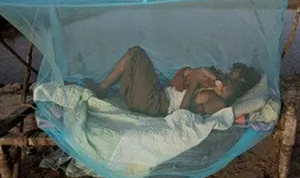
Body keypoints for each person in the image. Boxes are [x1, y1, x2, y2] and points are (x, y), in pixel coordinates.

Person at [84, 46, 261, 117]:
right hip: (155, 96)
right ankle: (103, 88)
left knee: (136, 53)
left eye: (232, 83)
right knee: (134, 56)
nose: (227, 82)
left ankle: (102, 89)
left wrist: (194, 85)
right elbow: (202, 70)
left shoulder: (218, 103)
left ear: (238, 91)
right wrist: (214, 79)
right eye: (229, 78)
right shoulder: (215, 86)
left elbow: (183, 114)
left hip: (155, 104)